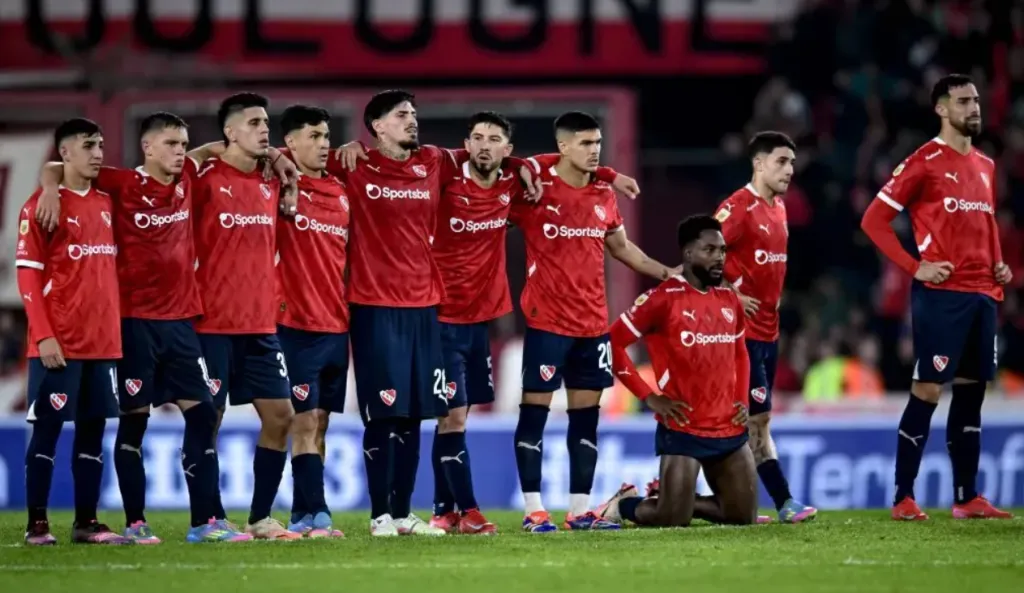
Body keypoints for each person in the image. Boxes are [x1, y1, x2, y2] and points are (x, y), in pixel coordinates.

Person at [34, 113, 252, 543]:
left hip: (181, 323)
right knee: (135, 422)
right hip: (134, 324)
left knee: (203, 414)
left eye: (182, 144)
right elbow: (60, 165)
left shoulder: (186, 174)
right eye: (170, 144)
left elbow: (213, 149)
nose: (179, 152)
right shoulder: (121, 183)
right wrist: (49, 189)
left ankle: (205, 521)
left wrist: (279, 159)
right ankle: (136, 521)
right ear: (147, 147)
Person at [509, 111, 677, 532]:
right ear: (563, 146)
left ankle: (580, 510)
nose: (594, 150)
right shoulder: (535, 190)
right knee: (534, 415)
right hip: (547, 323)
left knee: (586, 420)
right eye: (585, 143)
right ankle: (533, 510)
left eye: (597, 142)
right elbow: (505, 170)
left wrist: (667, 273)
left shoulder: (603, 194)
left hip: (592, 326)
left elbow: (623, 249)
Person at [861, 73, 1013, 520]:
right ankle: (903, 497)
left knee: (971, 393)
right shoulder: (923, 161)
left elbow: (986, 222)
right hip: (941, 295)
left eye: (976, 100)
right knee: (928, 389)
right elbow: (873, 221)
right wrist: (915, 266)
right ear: (941, 109)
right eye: (963, 101)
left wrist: (998, 264)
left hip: (983, 294)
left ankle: (967, 497)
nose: (974, 107)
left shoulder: (985, 165)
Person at [598, 215, 758, 528]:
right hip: (684, 426)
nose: (719, 258)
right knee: (672, 519)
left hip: (728, 425)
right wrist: (650, 398)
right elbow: (612, 344)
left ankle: (676, 498)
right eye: (709, 250)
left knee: (743, 518)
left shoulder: (729, 299)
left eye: (722, 251)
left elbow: (740, 353)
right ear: (687, 253)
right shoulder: (662, 299)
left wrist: (742, 399)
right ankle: (624, 504)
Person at [191, 92, 300, 539]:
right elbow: (175, 164)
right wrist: (223, 150)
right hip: (212, 323)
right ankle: (207, 519)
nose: (264, 129)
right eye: (253, 123)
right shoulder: (203, 177)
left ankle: (259, 518)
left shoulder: (271, 179)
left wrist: (277, 158)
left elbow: (301, 155)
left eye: (266, 124)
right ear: (229, 132)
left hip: (260, 324)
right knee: (208, 420)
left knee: (281, 416)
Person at [17, 119, 130, 545]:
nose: (98, 153)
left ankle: (86, 522)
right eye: (88, 145)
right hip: (59, 343)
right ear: (65, 152)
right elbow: (28, 275)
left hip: (103, 343)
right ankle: (37, 524)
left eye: (100, 144)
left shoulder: (106, 202)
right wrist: (43, 335)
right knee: (47, 431)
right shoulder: (41, 205)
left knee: (93, 435)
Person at [712, 131, 817, 524]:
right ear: (758, 164)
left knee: (750, 420)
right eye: (781, 162)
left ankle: (737, 503)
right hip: (739, 335)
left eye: (792, 163)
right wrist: (732, 295)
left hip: (768, 332)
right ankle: (783, 501)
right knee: (755, 419)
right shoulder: (737, 208)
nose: (789, 170)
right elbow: (698, 258)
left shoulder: (779, 208)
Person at [274, 105, 348, 538]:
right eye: (314, 136)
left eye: (327, 136)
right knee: (302, 421)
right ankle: (317, 513)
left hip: (336, 323)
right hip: (295, 323)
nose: (324, 144)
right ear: (291, 143)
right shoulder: (277, 185)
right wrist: (274, 159)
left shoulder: (340, 190)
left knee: (320, 422)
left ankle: (303, 514)